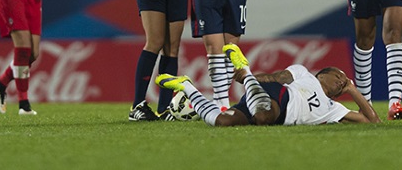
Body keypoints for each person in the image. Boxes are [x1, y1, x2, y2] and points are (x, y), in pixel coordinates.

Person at [156, 43, 380, 126]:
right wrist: (257, 80)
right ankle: (246, 71)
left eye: (343, 82)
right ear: (323, 74)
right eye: (338, 76)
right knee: (263, 117)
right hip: (280, 97)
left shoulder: (335, 110)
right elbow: (278, 77)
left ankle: (186, 87)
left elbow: (373, 120)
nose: (341, 81)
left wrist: (352, 88)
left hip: (267, 105)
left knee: (223, 121)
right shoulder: (305, 74)